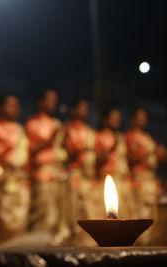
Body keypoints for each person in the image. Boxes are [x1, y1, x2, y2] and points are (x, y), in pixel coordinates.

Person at [126, 108, 167, 244]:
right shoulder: (131, 136)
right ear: (132, 119)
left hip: (150, 181)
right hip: (139, 181)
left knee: (151, 216)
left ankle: (147, 247)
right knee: (141, 217)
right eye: (140, 117)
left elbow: (155, 158)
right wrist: (149, 153)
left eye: (145, 117)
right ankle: (139, 247)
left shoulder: (147, 138)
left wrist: (165, 155)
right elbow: (132, 159)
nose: (143, 120)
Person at [0, 94, 30, 245]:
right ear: (0, 108)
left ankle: (18, 253)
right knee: (3, 217)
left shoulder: (20, 129)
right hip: (3, 178)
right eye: (10, 105)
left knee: (21, 217)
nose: (14, 109)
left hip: (20, 178)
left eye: (16, 105)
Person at [25, 89, 70, 245]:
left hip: (59, 174)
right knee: (44, 216)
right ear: (40, 102)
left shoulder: (56, 123)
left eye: (55, 100)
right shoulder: (32, 123)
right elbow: (31, 150)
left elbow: (63, 150)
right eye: (50, 100)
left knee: (61, 217)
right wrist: (51, 138)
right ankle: (41, 250)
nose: (53, 104)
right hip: (43, 174)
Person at [64, 98, 102, 245]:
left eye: (86, 108)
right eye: (81, 108)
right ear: (73, 110)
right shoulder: (67, 130)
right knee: (74, 217)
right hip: (75, 177)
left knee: (92, 215)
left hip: (89, 180)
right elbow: (66, 155)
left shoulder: (91, 132)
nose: (84, 111)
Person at [95, 108, 135, 218]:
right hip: (108, 180)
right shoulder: (100, 136)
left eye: (118, 119)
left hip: (123, 181)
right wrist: (113, 146)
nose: (116, 121)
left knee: (126, 217)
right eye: (113, 118)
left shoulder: (122, 138)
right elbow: (99, 160)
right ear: (106, 120)